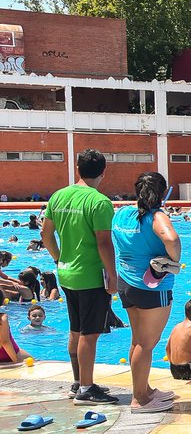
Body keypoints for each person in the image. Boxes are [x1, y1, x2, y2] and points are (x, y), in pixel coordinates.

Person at [41, 149, 119, 404]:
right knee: (90, 333)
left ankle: (78, 382)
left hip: (66, 274)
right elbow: (104, 243)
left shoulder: (58, 196)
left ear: (78, 169)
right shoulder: (99, 202)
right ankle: (86, 389)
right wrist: (112, 275)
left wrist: (58, 258)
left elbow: (46, 234)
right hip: (91, 276)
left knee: (75, 330)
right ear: (104, 172)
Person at [112, 172, 181, 412]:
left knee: (137, 340)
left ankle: (143, 388)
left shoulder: (121, 213)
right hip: (152, 287)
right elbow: (172, 239)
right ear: (162, 193)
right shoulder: (157, 216)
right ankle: (140, 399)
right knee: (147, 343)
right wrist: (174, 261)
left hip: (126, 283)